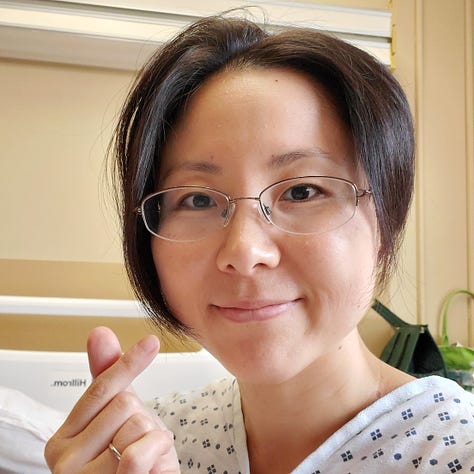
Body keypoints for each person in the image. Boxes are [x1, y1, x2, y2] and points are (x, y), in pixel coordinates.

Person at [45, 14, 474, 474]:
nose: (245, 252)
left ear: (385, 220)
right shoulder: (146, 442)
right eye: (196, 199)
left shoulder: (453, 452)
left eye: (302, 191)